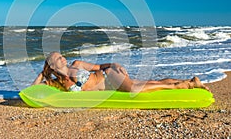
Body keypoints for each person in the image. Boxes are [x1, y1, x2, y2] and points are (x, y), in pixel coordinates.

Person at [32, 52, 209, 92]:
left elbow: (100, 67)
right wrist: (42, 73)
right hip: (109, 88)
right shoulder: (57, 83)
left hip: (109, 75)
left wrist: (115, 64)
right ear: (53, 66)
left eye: (61, 55)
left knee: (134, 90)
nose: (62, 57)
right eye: (58, 58)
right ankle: (188, 79)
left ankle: (187, 85)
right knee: (151, 83)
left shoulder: (77, 64)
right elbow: (32, 90)